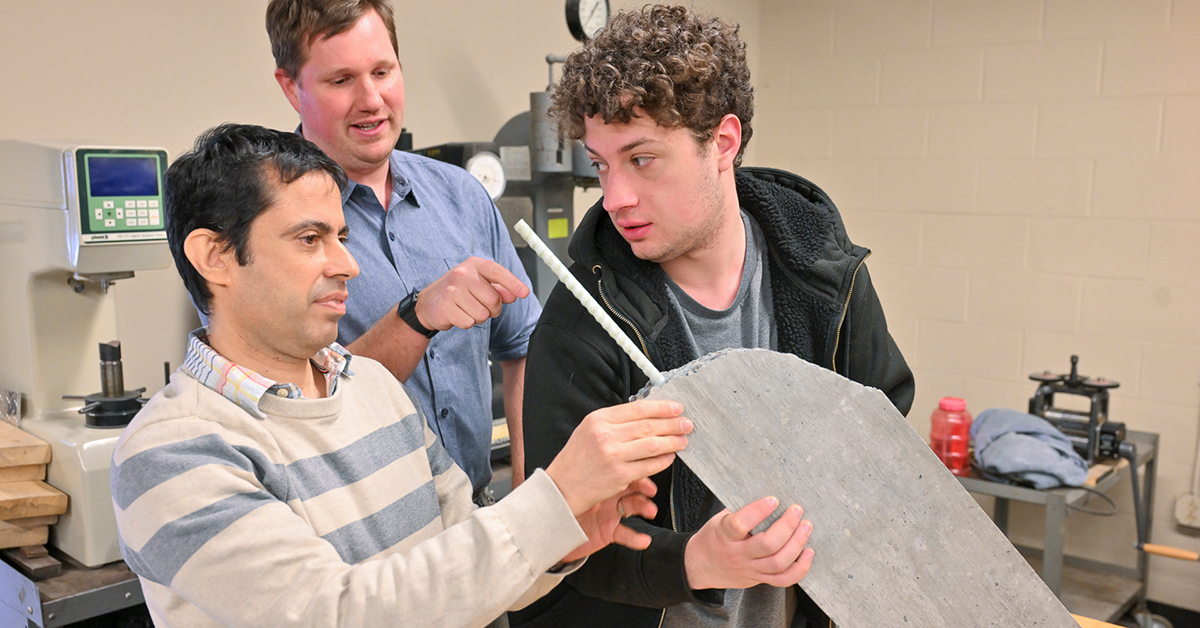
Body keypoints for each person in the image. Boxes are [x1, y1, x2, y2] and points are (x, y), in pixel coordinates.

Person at [110, 123, 693, 628]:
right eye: (310, 239)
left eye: (341, 236)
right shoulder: (170, 453)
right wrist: (548, 502)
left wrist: (563, 539)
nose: (347, 263)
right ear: (214, 257)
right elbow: (334, 614)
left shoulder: (372, 386)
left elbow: (464, 568)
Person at [515, 5, 916, 628]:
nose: (615, 197)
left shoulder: (827, 281)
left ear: (722, 142)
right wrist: (694, 561)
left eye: (641, 159)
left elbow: (887, 469)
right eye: (601, 164)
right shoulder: (583, 320)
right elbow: (555, 553)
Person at [266, 0, 537, 499]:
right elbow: (296, 407)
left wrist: (525, 490)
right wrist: (416, 317)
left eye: (382, 71)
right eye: (341, 80)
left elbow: (523, 347)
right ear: (291, 86)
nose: (371, 100)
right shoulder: (263, 220)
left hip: (477, 515)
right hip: (359, 541)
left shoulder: (461, 195)